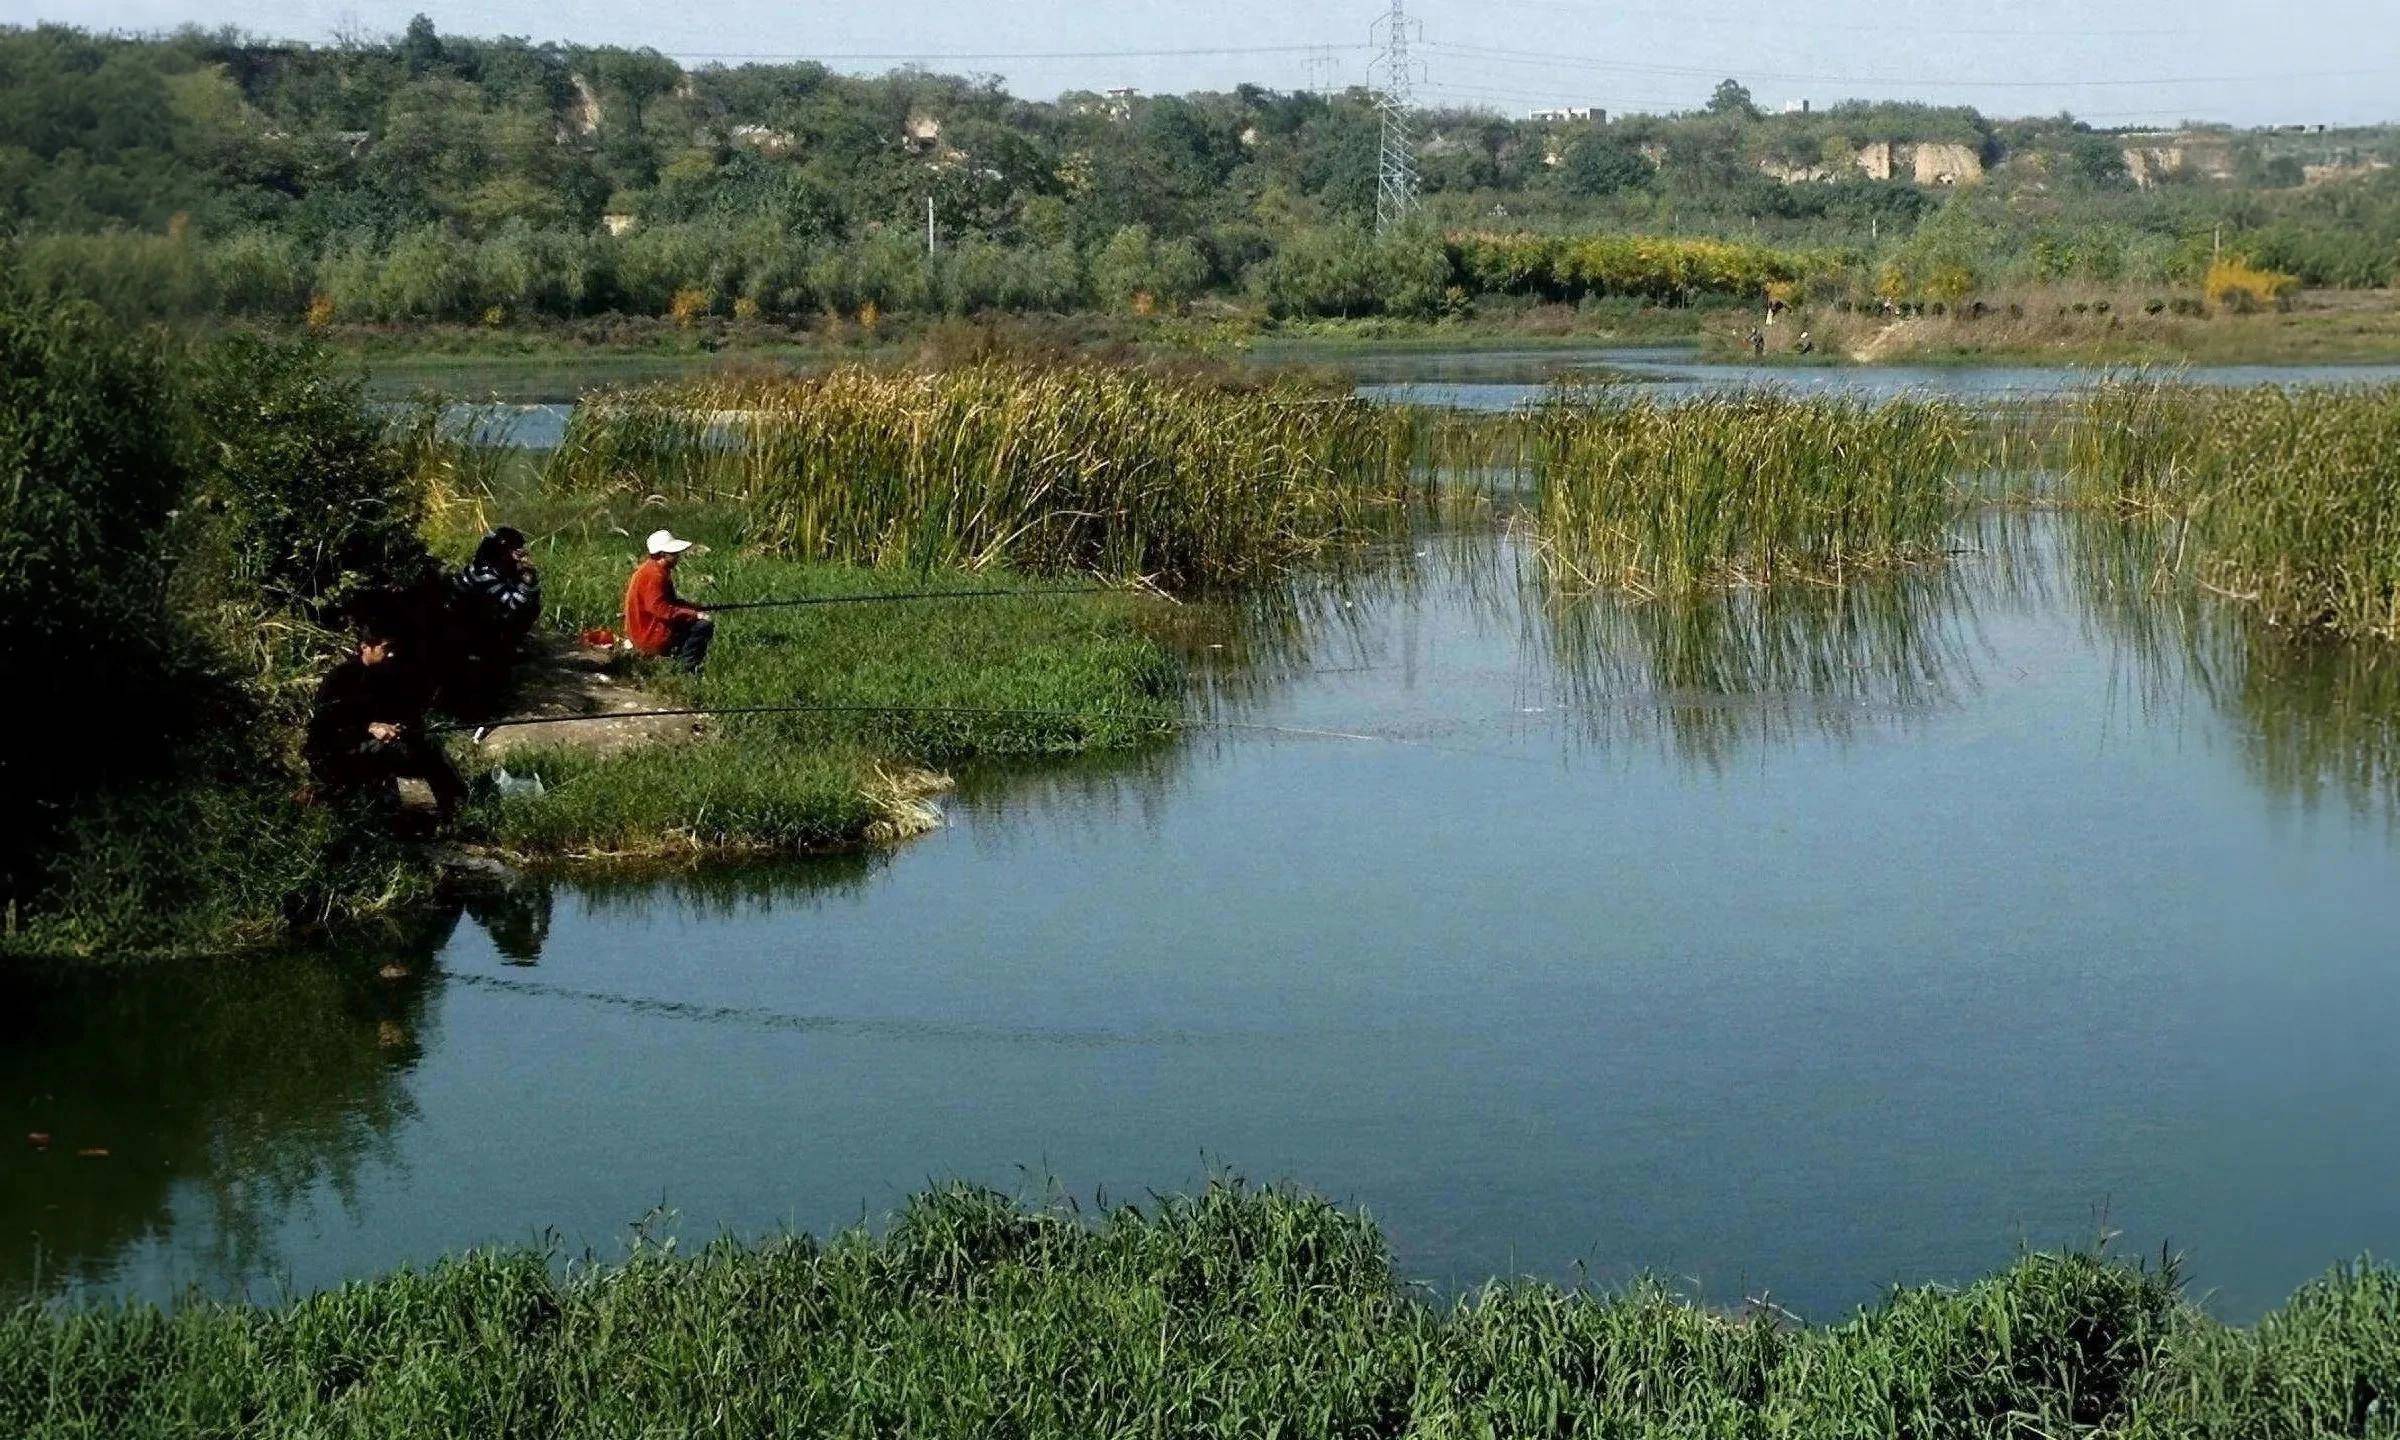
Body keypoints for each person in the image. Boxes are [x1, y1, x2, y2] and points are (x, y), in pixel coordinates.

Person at [304, 602, 468, 825]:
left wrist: (403, 726)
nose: (390, 654)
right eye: (384, 648)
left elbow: (406, 711)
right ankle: (380, 817)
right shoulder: (340, 678)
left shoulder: (389, 676)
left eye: (392, 648)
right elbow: (324, 726)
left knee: (427, 745)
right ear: (365, 647)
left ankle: (459, 810)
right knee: (383, 752)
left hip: (377, 747)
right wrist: (369, 728)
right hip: (337, 754)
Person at [448, 525, 543, 718]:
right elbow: (513, 604)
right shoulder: (484, 572)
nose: (520, 552)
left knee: (530, 608)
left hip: (483, 620)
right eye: (515, 548)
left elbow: (527, 600)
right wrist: (527, 581)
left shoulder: (502, 568)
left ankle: (508, 648)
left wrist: (527, 581)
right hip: (463, 626)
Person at [623, 529, 713, 672]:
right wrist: (695, 615)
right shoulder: (654, 576)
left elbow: (668, 603)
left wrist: (692, 607)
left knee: (696, 620)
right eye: (674, 553)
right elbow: (661, 609)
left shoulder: (653, 569)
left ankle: (678, 661)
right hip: (649, 635)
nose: (678, 557)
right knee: (703, 625)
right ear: (662, 555)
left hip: (647, 630)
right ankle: (686, 670)